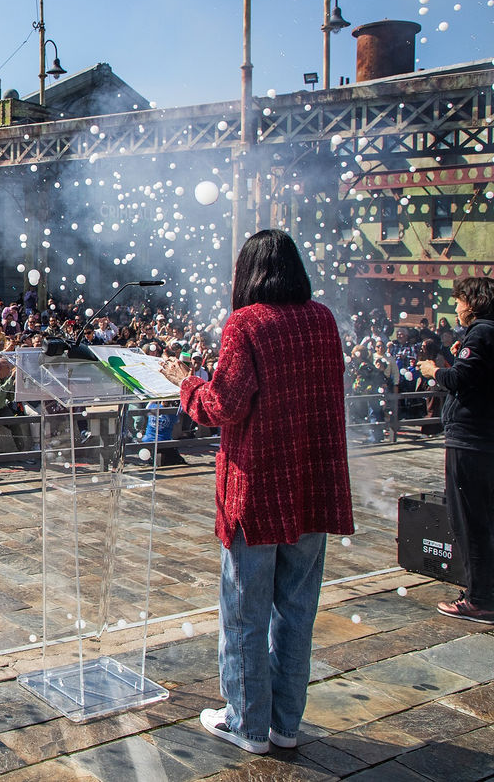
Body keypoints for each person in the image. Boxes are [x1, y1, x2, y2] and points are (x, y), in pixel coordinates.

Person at [160, 229, 352, 755]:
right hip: (312, 484)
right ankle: (285, 724)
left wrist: (185, 382)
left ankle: (246, 723)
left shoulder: (247, 323)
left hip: (259, 488)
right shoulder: (323, 319)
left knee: (245, 611)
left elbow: (222, 405)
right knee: (297, 611)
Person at [417, 276, 494, 623]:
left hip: (471, 440)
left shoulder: (481, 333)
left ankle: (479, 599)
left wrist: (434, 370)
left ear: (473, 303)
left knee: (470, 520)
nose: (457, 308)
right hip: (485, 439)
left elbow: (459, 379)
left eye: (460, 301)